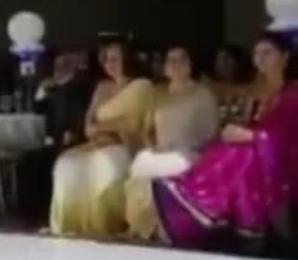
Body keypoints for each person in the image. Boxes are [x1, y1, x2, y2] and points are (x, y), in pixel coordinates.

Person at [129, 32, 298, 249]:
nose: (261, 59)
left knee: (240, 155)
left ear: (285, 57)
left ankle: (206, 205)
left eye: (268, 53)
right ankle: (202, 208)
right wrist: (237, 131)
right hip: (251, 149)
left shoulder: (292, 93)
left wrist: (252, 136)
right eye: (257, 53)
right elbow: (245, 122)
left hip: (278, 157)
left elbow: (285, 135)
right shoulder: (255, 91)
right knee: (225, 151)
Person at [49, 39, 155, 237]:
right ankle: (70, 228)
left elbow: (132, 124)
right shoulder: (103, 87)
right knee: (66, 164)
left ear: (127, 59)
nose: (110, 64)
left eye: (115, 59)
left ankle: (102, 229)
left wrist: (104, 128)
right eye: (106, 59)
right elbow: (89, 126)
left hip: (124, 146)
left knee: (103, 165)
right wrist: (107, 127)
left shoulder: (142, 86)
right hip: (96, 144)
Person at [123, 45, 220, 239]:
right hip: (161, 150)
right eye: (171, 60)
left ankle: (161, 229)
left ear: (189, 65)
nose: (175, 65)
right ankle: (142, 228)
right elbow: (148, 129)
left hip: (188, 153)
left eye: (181, 60)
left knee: (154, 170)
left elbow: (211, 134)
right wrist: (151, 146)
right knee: (141, 163)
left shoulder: (203, 95)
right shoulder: (158, 94)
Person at [14, 51, 91, 221]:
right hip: (53, 140)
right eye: (57, 65)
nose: (59, 68)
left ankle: (44, 210)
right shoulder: (53, 87)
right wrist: (41, 89)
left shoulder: (78, 88)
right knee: (26, 160)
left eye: (63, 65)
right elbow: (38, 109)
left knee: (43, 162)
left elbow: (81, 115)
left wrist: (72, 133)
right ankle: (29, 212)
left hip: (71, 141)